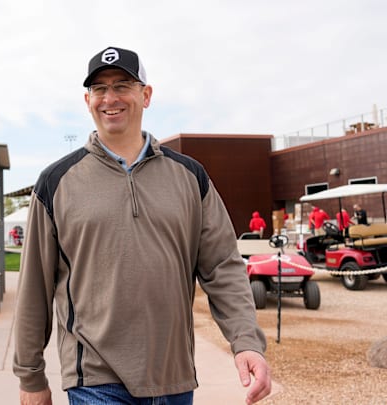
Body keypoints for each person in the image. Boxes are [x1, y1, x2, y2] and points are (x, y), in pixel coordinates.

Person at [13, 46, 271, 405]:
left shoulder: (190, 177)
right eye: (99, 89)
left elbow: (222, 268)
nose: (110, 98)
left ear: (146, 95)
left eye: (122, 85)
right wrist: (30, 375)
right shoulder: (56, 182)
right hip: (95, 379)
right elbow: (34, 288)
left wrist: (246, 342)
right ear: (87, 100)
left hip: (174, 377)